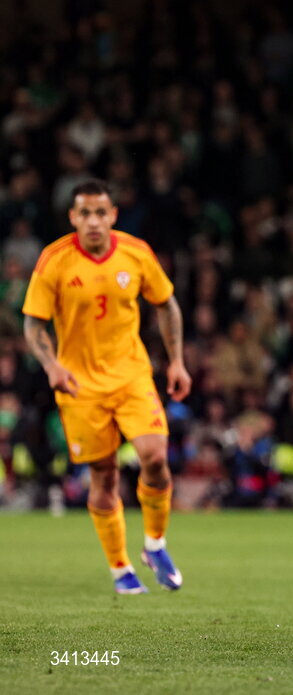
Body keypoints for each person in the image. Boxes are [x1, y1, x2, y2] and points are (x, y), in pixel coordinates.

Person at [22, 179, 192, 594]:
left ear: (113, 215)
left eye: (101, 213)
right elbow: (33, 322)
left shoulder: (136, 252)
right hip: (80, 386)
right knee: (104, 475)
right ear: (73, 218)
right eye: (85, 213)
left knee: (155, 457)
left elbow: (166, 303)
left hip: (131, 375)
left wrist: (176, 362)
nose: (93, 221)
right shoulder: (54, 260)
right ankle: (121, 570)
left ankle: (154, 544)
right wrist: (51, 365)